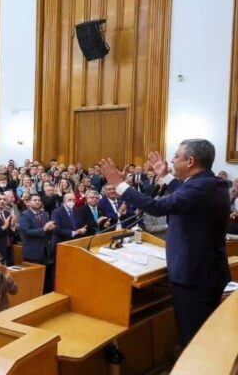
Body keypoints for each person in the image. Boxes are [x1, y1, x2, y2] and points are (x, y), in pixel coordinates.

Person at [98, 141, 231, 346]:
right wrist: (165, 175)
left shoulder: (200, 187)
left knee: (194, 337)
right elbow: (184, 193)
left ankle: (190, 364)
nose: (172, 160)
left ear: (190, 161)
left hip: (195, 278)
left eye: (176, 156)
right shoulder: (209, 183)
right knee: (195, 331)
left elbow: (157, 207)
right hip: (203, 272)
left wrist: (119, 184)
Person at [18, 192, 56, 293]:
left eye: (39, 200)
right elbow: (26, 232)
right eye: (35, 200)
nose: (38, 202)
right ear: (28, 202)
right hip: (33, 252)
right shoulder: (25, 215)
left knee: (47, 278)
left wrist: (50, 229)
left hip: (45, 251)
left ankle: (47, 296)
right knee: (34, 279)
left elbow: (46, 231)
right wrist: (44, 229)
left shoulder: (44, 214)